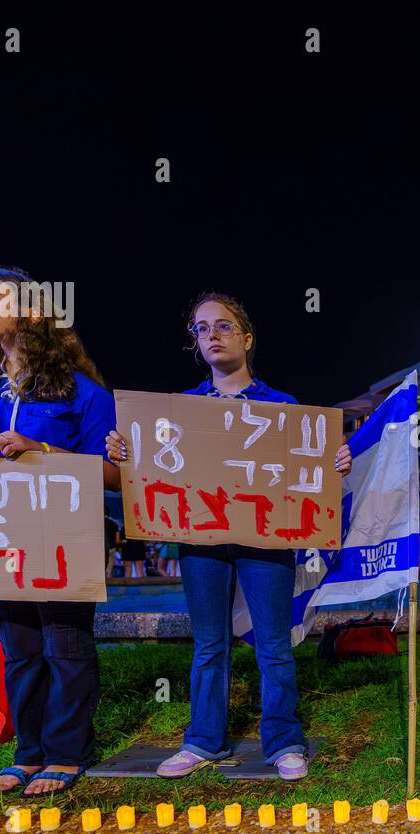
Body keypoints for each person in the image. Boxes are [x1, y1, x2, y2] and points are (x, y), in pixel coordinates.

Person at [105, 292, 351, 781]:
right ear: (195, 344)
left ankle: (283, 740)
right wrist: (123, 451)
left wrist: (334, 464)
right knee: (209, 644)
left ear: (247, 338)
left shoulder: (283, 408)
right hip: (201, 541)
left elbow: (307, 471)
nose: (211, 335)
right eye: (201, 329)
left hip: (268, 540)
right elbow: (153, 471)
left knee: (273, 643)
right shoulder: (179, 412)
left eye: (223, 326)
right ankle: (203, 740)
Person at [0, 268, 122, 797]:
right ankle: (28, 751)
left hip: (65, 535)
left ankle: (66, 751)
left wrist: (42, 450)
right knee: (20, 645)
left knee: (65, 643)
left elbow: (115, 474)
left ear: (32, 309)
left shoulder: (84, 392)